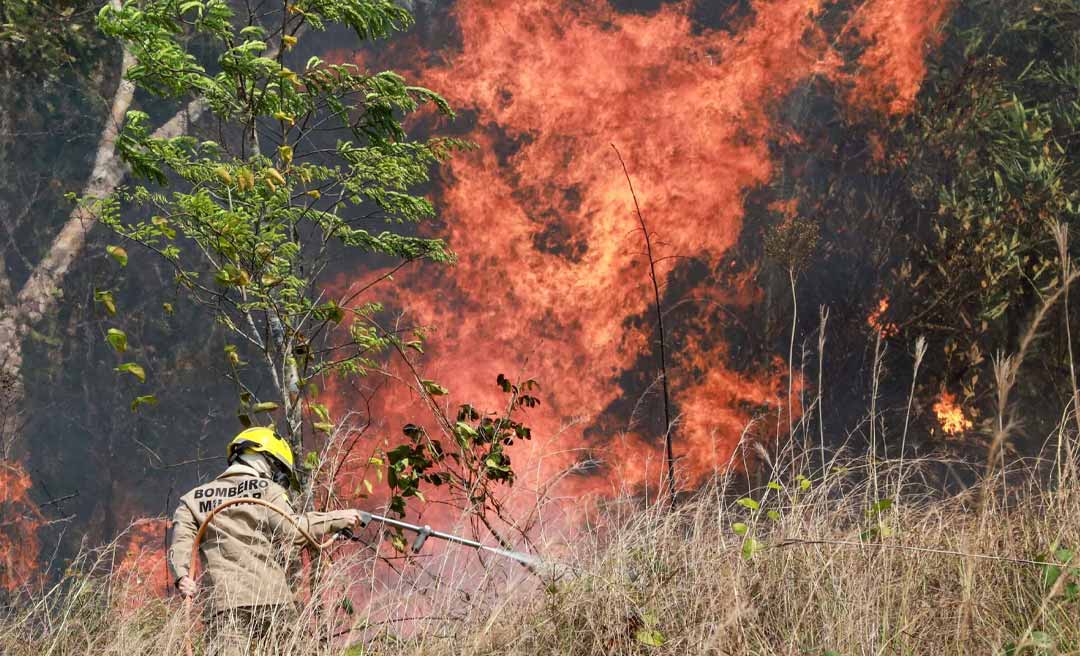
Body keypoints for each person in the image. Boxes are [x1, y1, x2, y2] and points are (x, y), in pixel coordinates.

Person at [167, 427, 361, 655]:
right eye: (278, 469)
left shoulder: (193, 499)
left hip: (224, 603)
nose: (276, 476)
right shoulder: (268, 489)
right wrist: (338, 518)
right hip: (272, 598)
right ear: (264, 459)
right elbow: (293, 531)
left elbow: (181, 543)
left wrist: (182, 576)